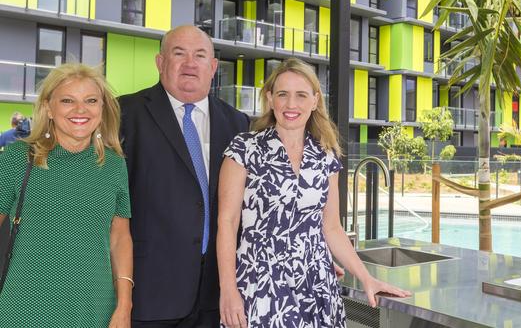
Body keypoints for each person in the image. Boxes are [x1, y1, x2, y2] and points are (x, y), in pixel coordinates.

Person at [217, 58, 410, 328]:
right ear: (270, 99)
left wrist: (367, 278)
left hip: (317, 286)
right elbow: (227, 223)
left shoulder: (325, 155)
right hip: (261, 285)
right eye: (282, 94)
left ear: (315, 100)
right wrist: (228, 290)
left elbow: (331, 228)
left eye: (301, 95)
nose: (291, 105)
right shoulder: (244, 149)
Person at [119, 25, 249, 327]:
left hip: (215, 295)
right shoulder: (125, 113)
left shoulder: (238, 123)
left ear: (213, 67)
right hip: (149, 294)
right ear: (160, 62)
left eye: (200, 55)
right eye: (179, 54)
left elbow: (254, 205)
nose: (190, 63)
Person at [0, 63, 133, 327]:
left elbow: (120, 237)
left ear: (102, 108)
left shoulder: (115, 165)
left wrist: (124, 306)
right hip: (23, 306)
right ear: (49, 108)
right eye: (68, 101)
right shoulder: (17, 159)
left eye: (91, 100)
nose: (80, 110)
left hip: (95, 308)